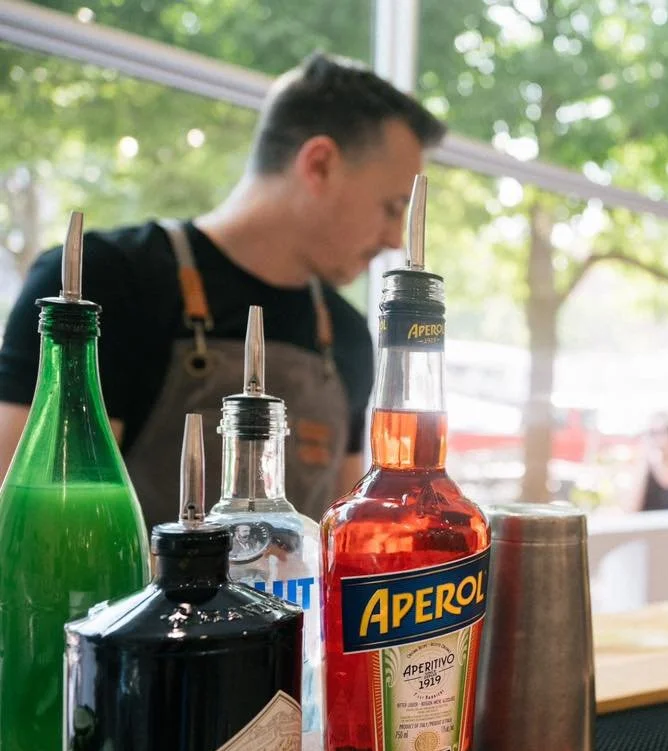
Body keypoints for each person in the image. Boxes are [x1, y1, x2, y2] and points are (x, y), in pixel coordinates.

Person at [0, 53, 446, 525]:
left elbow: (344, 536)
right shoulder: (106, 284)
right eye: (392, 207)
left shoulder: (348, 335)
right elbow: (27, 525)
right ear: (319, 165)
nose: (395, 239)